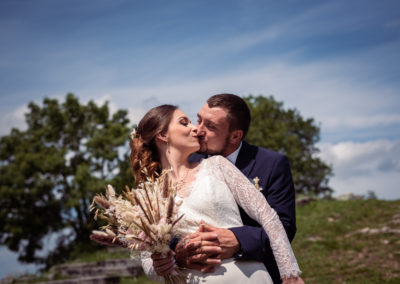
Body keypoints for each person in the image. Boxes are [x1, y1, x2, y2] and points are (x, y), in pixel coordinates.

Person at [129, 104, 303, 283]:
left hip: (247, 276)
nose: (195, 128)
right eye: (184, 123)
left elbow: (269, 218)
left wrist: (289, 274)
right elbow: (148, 261)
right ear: (163, 135)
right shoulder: (148, 196)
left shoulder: (217, 165)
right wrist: (165, 264)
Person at [173, 94, 297, 283]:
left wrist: (239, 239)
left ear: (235, 136)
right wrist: (178, 249)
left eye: (211, 126)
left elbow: (285, 227)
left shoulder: (271, 164)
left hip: (254, 275)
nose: (198, 130)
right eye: (199, 120)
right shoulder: (188, 163)